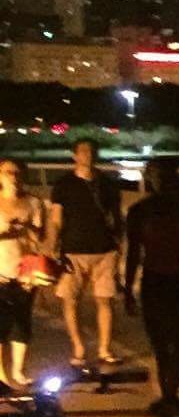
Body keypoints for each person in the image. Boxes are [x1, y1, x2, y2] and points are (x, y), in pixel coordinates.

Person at [122, 157, 179, 417]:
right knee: (162, 343)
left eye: (165, 175)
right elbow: (133, 253)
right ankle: (170, 395)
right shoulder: (144, 210)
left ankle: (170, 395)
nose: (161, 180)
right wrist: (128, 289)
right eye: (157, 175)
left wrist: (128, 289)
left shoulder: (176, 201)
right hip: (157, 279)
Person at [45, 136, 123, 370]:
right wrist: (52, 246)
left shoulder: (107, 184)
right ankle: (78, 348)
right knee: (70, 301)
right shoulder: (63, 185)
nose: (88, 155)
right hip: (73, 251)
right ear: (75, 155)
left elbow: (117, 218)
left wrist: (120, 246)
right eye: (83, 151)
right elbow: (56, 219)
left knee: (105, 300)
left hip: (104, 250)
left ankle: (104, 349)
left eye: (91, 151)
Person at [0, 160, 48, 389]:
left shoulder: (33, 202)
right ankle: (1, 375)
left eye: (18, 173)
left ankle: (18, 371)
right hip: (0, 269)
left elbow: (40, 238)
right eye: (9, 172)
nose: (14, 177)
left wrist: (27, 227)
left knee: (21, 322)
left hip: (24, 272)